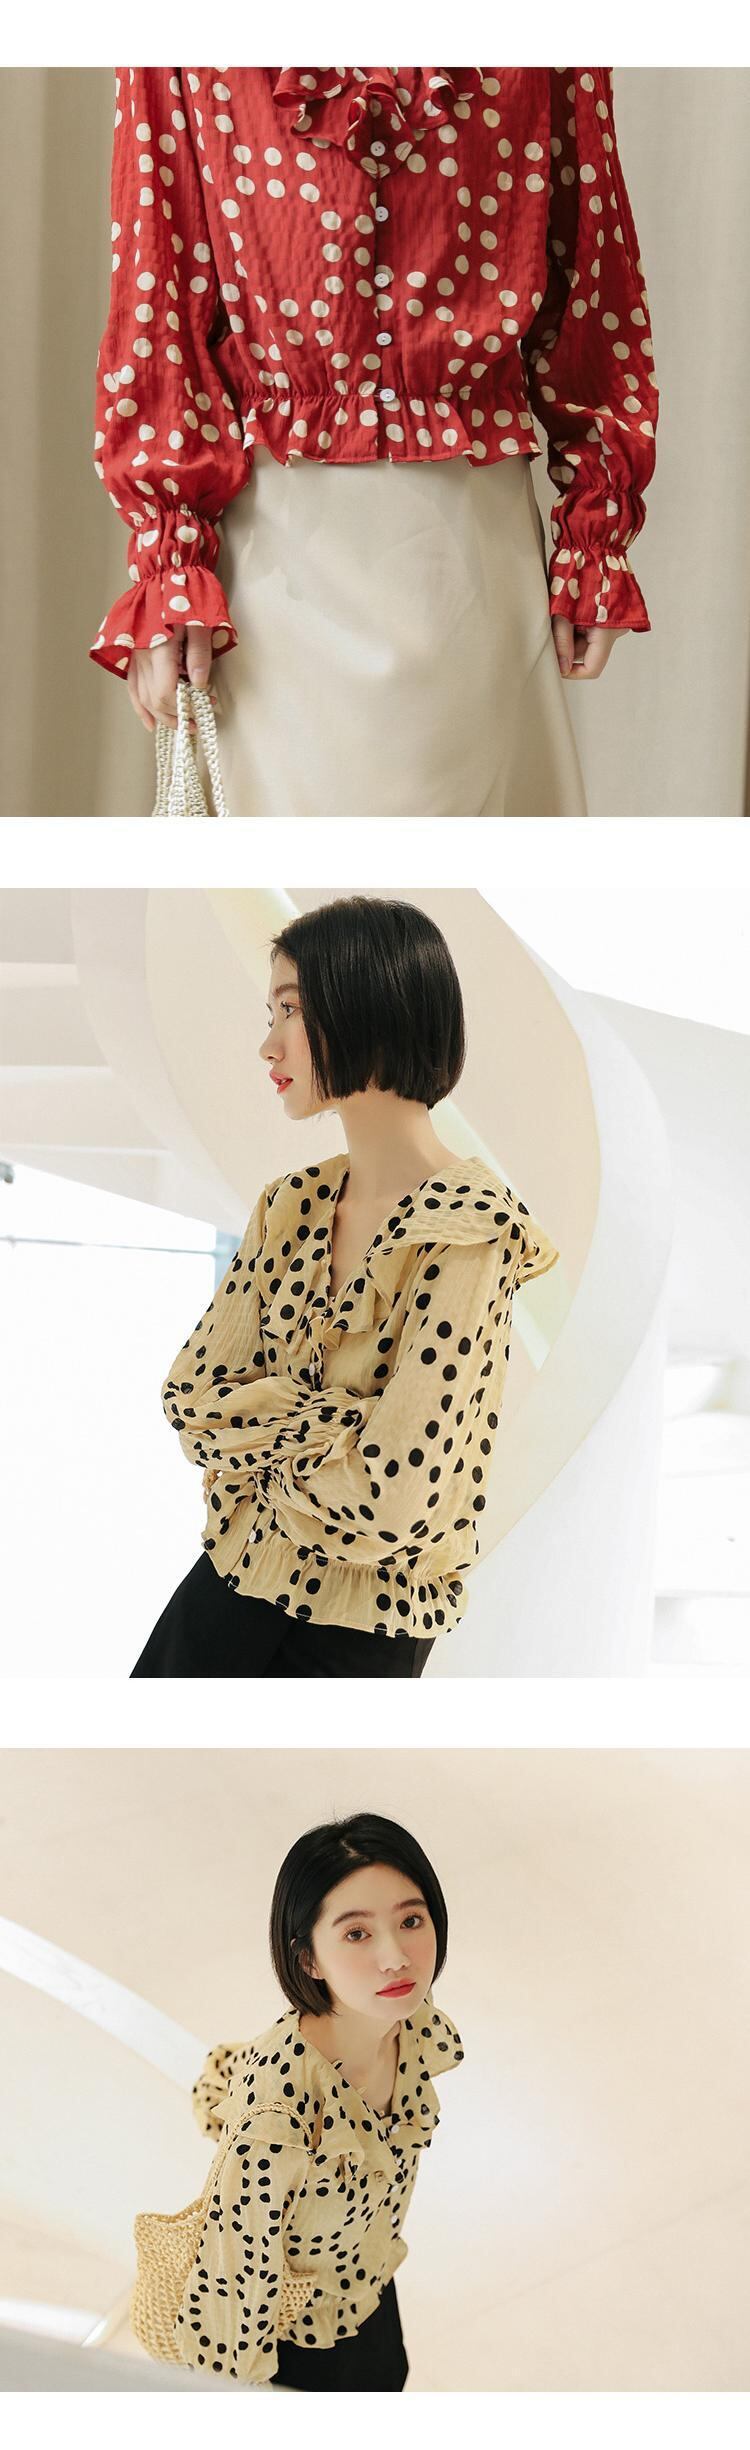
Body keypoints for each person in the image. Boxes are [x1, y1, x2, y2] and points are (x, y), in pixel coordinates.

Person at [91, 68, 658, 817]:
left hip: (474, 564)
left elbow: (591, 277)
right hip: (276, 570)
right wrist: (169, 561)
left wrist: (597, 525)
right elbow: (159, 295)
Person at [131, 897, 557, 1678]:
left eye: (291, 1010)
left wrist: (262, 1436)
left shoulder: (471, 1231)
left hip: (358, 1635)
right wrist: (347, 1430)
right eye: (271, 1014)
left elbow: (391, 1500)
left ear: (370, 1003)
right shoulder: (289, 1205)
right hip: (222, 1589)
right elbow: (191, 1399)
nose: (268, 1044)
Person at [133, 1813, 463, 2391]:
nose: (396, 1957)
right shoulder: (277, 2115)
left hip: (369, 2293)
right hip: (293, 2347)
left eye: (411, 1920)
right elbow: (233, 2290)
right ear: (308, 1958)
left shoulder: (409, 2022)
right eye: (356, 1934)